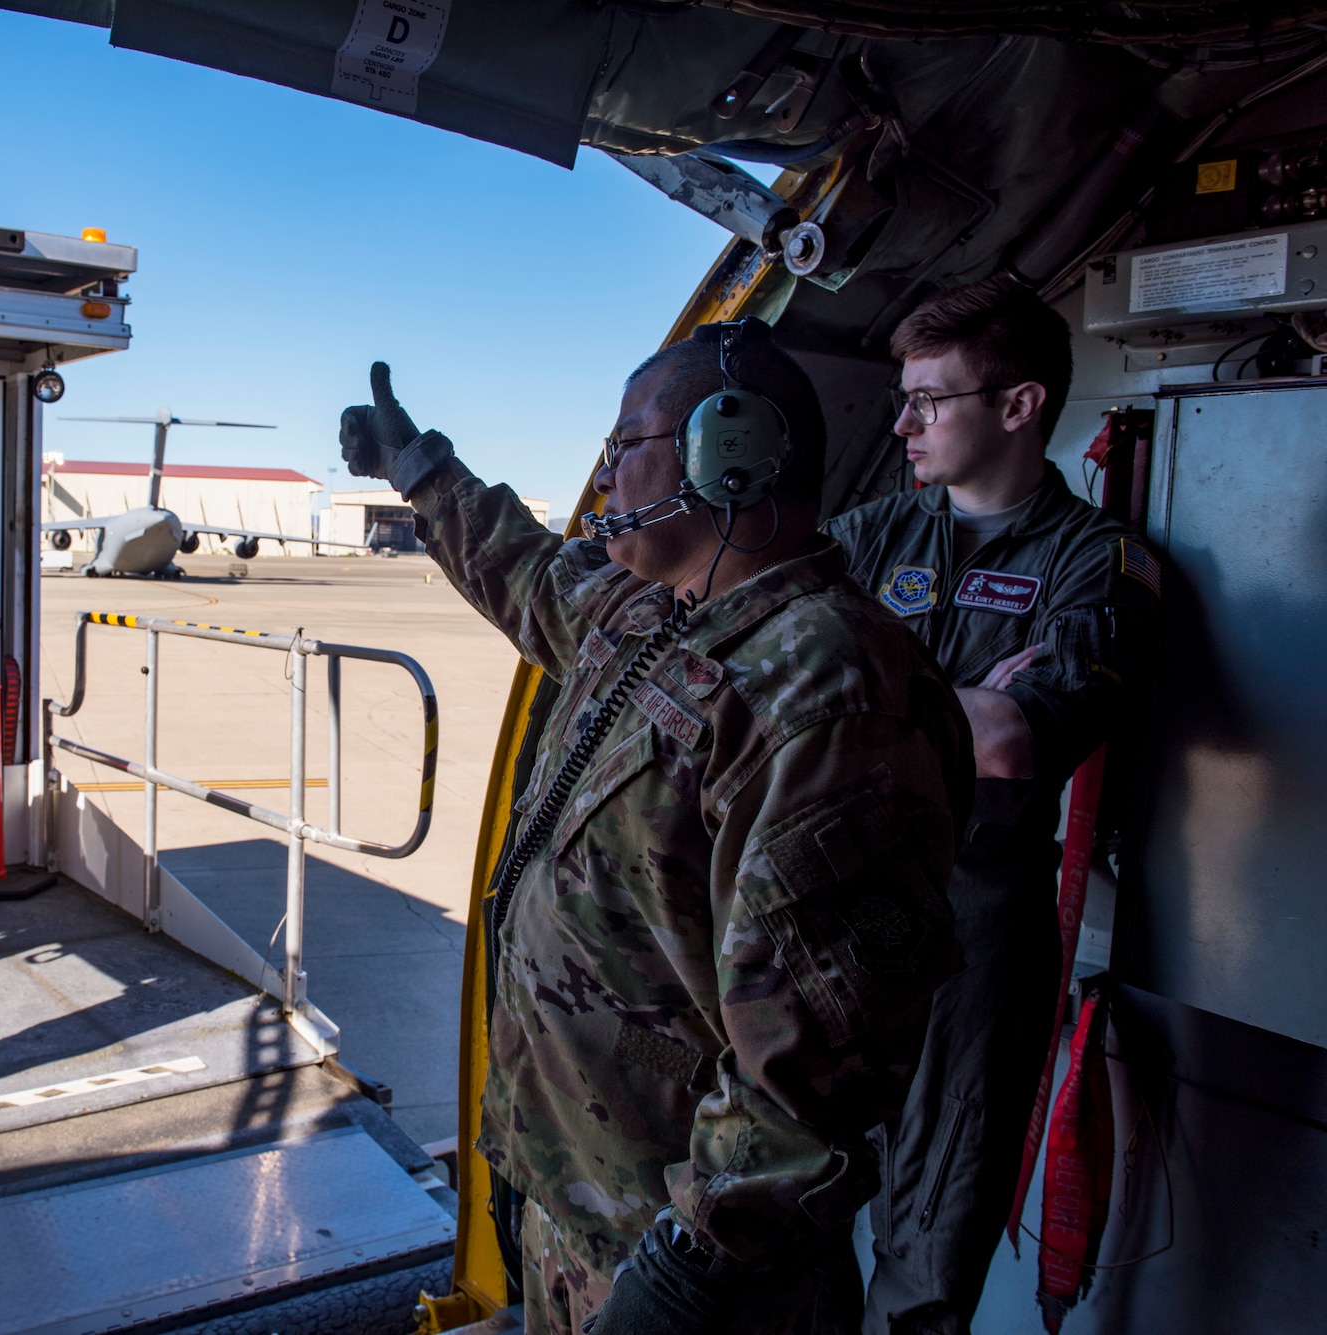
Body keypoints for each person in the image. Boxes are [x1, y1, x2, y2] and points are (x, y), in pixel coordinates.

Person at [339, 320, 975, 1335]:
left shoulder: (826, 690)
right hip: (580, 1204)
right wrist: (421, 472)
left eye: (624, 444)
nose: (602, 481)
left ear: (728, 450)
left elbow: (813, 1063)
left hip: (690, 1269)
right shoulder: (655, 615)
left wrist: (684, 1279)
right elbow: (528, 573)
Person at [825, 276, 1159, 1335]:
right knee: (779, 1216)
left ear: (1015, 406)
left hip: (969, 947)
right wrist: (956, 700)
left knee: (925, 1254)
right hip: (825, 919)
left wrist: (851, 694)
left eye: (929, 399)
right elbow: (753, 663)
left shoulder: (1097, 563)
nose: (902, 422)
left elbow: (1017, 740)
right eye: (902, 398)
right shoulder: (875, 533)